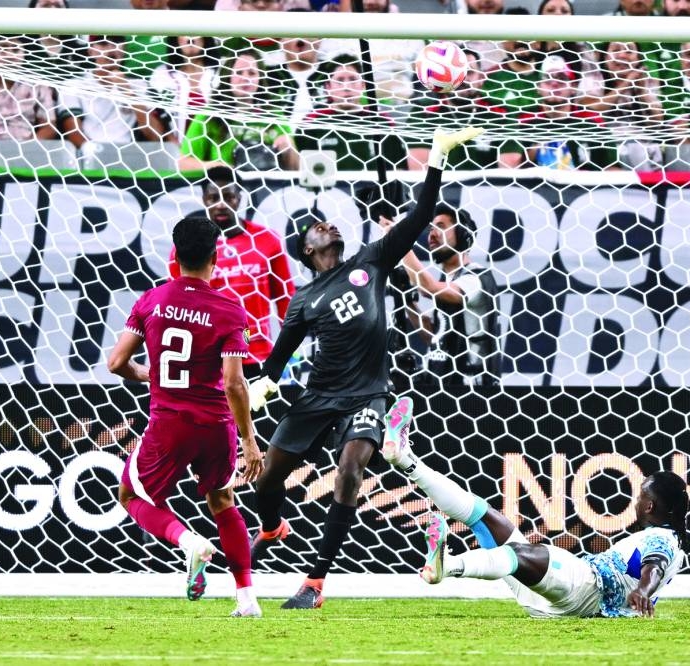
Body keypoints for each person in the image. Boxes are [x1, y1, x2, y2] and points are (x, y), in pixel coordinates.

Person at [245, 126, 483, 610]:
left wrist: (436, 156)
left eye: (330, 224)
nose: (329, 226)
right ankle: (272, 525)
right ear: (307, 250)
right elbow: (276, 361)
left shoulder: (370, 260)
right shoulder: (303, 300)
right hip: (317, 397)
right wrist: (261, 388)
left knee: (350, 470)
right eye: (318, 228)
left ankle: (314, 582)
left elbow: (419, 216)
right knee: (266, 482)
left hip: (368, 394)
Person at [381, 396, 688, 618]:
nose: (634, 500)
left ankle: (447, 567)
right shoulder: (669, 540)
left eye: (640, 495)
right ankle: (405, 460)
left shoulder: (663, 539)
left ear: (649, 505)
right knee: (485, 518)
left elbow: (654, 565)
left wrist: (644, 591)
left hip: (586, 589)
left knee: (518, 553)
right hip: (554, 603)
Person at [108, 215, 265, 618]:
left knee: (130, 494)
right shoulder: (231, 309)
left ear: (174, 256)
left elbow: (116, 362)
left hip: (170, 423)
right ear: (216, 258)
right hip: (216, 425)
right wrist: (249, 441)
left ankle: (188, 542)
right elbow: (234, 383)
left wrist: (149, 374)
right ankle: (246, 598)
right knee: (223, 500)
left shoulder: (151, 301)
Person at [167, 167, 295, 377]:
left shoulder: (267, 240)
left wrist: (289, 351)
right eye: (213, 197)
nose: (221, 204)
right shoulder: (186, 247)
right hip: (207, 356)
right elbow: (176, 305)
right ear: (204, 199)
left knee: (254, 410)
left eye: (228, 196)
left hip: (257, 354)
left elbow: (285, 301)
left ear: (239, 198)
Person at [389, 204, 502, 388]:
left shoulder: (477, 279)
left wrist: (398, 239)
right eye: (431, 228)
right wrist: (406, 299)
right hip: (442, 385)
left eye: (441, 227)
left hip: (472, 393)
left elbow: (428, 287)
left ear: (463, 234)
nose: (432, 234)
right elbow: (435, 336)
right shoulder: (449, 279)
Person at [178, 49, 298, 172]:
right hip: (223, 187)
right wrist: (220, 169)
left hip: (268, 187)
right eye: (239, 72)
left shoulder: (274, 115)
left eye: (252, 73)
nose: (245, 78)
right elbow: (184, 163)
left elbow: (296, 170)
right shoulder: (208, 115)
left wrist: (288, 149)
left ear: (260, 78)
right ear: (227, 76)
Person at [407, 49, 521, 170]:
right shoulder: (424, 114)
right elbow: (419, 172)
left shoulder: (501, 114)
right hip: (439, 187)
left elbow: (508, 172)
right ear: (442, 78)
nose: (462, 79)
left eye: (469, 72)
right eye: (455, 73)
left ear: (481, 78)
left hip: (488, 187)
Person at [59, 35, 168, 149]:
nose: (111, 48)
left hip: (130, 156)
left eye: (116, 41)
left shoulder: (140, 86)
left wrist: (127, 91)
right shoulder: (73, 86)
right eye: (103, 43)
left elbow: (156, 136)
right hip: (88, 156)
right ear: (91, 51)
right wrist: (94, 153)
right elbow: (73, 132)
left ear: (124, 49)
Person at [0, 36, 58, 145]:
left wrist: (29, 147)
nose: (10, 55)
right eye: (3, 49)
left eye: (16, 50)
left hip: (25, 152)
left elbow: (49, 127)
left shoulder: (36, 85)